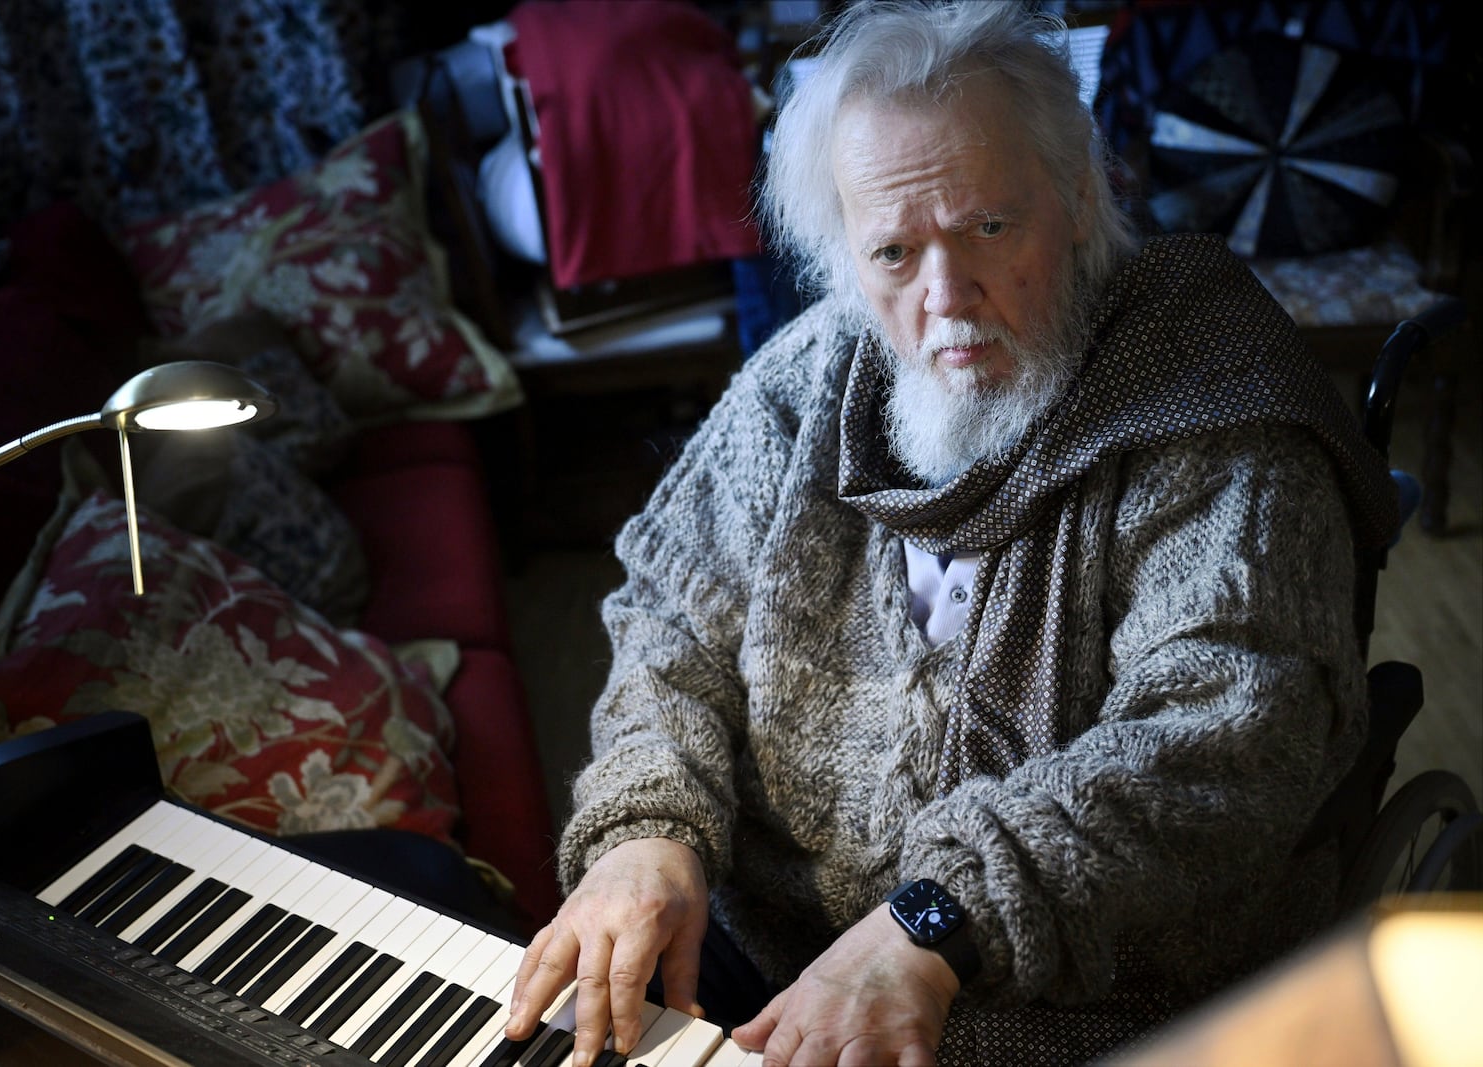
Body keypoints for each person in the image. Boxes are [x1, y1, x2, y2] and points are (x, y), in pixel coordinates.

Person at [502, 2, 1400, 1064]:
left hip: (1089, 1005)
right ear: (842, 255)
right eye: (891, 251)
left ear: (1076, 197)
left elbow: (1225, 728)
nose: (945, 298)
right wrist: (649, 824)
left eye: (987, 227)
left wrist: (938, 918)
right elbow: (671, 616)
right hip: (769, 954)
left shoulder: (1209, 404)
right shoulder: (805, 384)